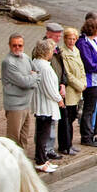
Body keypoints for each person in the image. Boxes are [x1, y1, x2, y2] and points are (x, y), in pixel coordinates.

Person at [34, 22, 73, 154]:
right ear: (48, 34)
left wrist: (63, 83)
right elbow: (44, 77)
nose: (58, 38)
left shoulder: (56, 49)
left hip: (58, 87)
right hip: (49, 93)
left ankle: (50, 148)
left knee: (53, 122)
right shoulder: (43, 49)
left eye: (59, 36)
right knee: (47, 124)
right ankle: (46, 150)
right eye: (56, 36)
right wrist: (58, 96)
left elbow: (61, 68)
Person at [1, 32, 39, 149]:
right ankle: (11, 164)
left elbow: (38, 73)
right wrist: (32, 78)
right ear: (9, 45)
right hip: (15, 106)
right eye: (14, 45)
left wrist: (31, 78)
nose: (17, 48)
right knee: (13, 139)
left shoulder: (26, 57)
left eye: (20, 45)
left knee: (24, 137)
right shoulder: (8, 62)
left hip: (26, 104)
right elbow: (24, 82)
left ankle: (23, 161)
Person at [76, 14, 97, 146]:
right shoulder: (83, 43)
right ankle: (86, 136)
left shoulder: (92, 41)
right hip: (89, 81)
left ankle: (92, 133)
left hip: (96, 80)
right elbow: (89, 64)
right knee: (88, 110)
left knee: (92, 109)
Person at [31, 39, 61, 173]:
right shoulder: (45, 68)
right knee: (43, 135)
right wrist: (59, 99)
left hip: (39, 104)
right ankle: (41, 161)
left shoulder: (35, 64)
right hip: (46, 106)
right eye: (51, 50)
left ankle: (42, 159)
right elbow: (50, 89)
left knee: (41, 134)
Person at [56, 28, 86, 153]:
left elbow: (81, 68)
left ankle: (70, 143)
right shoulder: (63, 53)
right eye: (69, 39)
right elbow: (68, 74)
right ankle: (64, 145)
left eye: (74, 39)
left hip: (78, 90)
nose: (71, 41)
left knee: (72, 117)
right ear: (65, 39)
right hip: (70, 91)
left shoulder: (76, 51)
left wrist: (84, 83)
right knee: (66, 120)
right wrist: (80, 85)